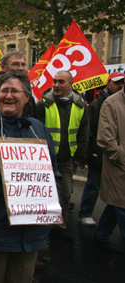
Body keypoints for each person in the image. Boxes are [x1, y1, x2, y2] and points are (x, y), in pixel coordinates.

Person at [0, 71, 61, 283]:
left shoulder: (38, 130)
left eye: (14, 91)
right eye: (3, 91)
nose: (8, 96)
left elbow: (54, 174)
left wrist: (51, 209)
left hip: (31, 233)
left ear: (27, 97)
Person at [36, 70, 89, 239]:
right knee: (43, 192)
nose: (57, 85)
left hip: (66, 159)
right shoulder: (43, 104)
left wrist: (79, 157)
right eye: (55, 81)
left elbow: (83, 132)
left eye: (61, 82)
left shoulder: (80, 106)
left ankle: (59, 222)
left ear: (70, 85)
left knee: (65, 192)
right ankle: (40, 224)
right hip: (45, 159)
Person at [78, 71, 124, 226]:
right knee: (94, 185)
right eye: (117, 82)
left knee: (117, 194)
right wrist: (89, 154)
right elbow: (92, 130)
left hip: (114, 154)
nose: (120, 85)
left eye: (121, 83)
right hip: (100, 153)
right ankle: (85, 212)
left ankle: (103, 232)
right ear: (109, 83)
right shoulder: (100, 103)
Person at [93, 79, 125, 249]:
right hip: (118, 166)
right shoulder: (111, 103)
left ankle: (102, 234)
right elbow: (105, 139)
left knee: (117, 204)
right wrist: (122, 157)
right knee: (122, 206)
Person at [0, 51, 37, 118]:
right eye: (15, 64)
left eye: (23, 64)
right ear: (3, 68)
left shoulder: (27, 91)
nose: (20, 68)